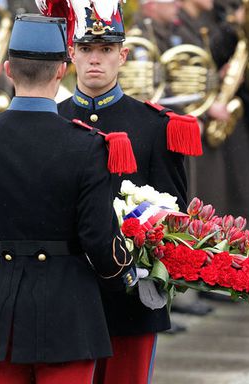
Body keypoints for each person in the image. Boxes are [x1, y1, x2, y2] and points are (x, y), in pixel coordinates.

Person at [0, 14, 136, 383]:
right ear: (63, 71)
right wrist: (123, 276)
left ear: (8, 69)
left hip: (0, 311)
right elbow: (98, 239)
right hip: (72, 312)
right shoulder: (88, 146)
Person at [53, 3, 202, 382]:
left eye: (105, 50)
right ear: (71, 53)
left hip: (129, 295)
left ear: (122, 55)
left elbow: (174, 212)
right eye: (86, 50)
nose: (95, 60)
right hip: (65, 290)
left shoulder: (152, 125)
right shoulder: (51, 120)